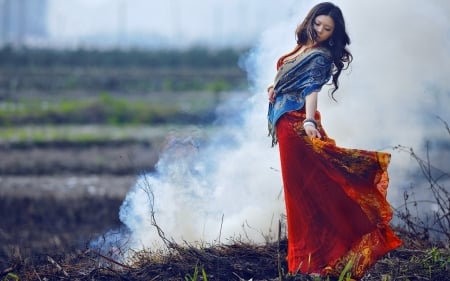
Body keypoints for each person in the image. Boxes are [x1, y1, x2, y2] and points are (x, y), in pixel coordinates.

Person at [267, 2, 402, 280]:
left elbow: (311, 89)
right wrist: (274, 87)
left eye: (327, 29)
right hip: (284, 125)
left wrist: (308, 121)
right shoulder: (300, 48)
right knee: (301, 196)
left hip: (296, 128)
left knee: (307, 195)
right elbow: (286, 79)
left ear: (333, 34)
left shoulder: (319, 57)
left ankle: (312, 263)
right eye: (318, 24)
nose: (320, 31)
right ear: (310, 20)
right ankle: (305, 263)